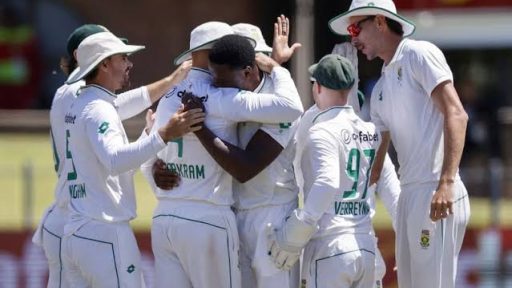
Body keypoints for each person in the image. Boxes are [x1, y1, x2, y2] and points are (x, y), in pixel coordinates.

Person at [30, 24, 193, 287]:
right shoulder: (90, 102)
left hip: (72, 224)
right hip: (100, 226)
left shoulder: (77, 98)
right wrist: (163, 134)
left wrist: (171, 81)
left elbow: (116, 106)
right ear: (102, 64)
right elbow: (115, 157)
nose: (129, 63)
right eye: (122, 57)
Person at [144, 21, 303, 288]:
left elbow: (246, 167)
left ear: (252, 65)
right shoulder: (224, 95)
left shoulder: (178, 95)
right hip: (227, 215)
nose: (218, 77)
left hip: (271, 221)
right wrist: (155, 168)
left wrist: (199, 129)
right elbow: (151, 143)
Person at [329, 0, 470, 287]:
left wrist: (446, 182)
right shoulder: (380, 88)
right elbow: (375, 167)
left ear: (380, 21)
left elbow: (457, 114)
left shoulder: (419, 54)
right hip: (410, 196)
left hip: (436, 190)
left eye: (356, 28)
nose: (353, 39)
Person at [267, 54, 380, 287]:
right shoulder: (370, 130)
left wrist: (299, 229)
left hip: (331, 246)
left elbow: (327, 182)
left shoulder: (322, 131)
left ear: (317, 86)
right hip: (364, 244)